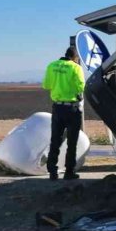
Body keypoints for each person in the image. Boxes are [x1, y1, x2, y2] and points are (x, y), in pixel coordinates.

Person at [42, 46, 86, 180]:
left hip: (57, 108)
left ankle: (52, 171)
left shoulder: (52, 66)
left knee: (55, 140)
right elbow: (81, 86)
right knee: (72, 142)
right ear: (75, 57)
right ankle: (69, 171)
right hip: (72, 109)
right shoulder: (76, 67)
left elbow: (46, 85)